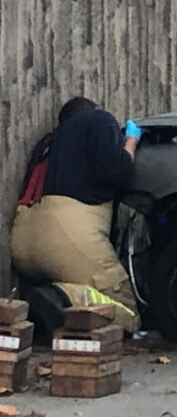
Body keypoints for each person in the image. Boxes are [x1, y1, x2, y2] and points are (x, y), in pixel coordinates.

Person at [11, 96, 142, 335]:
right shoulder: (97, 120)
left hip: (22, 240)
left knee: (63, 275)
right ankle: (60, 295)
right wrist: (131, 141)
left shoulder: (49, 142)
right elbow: (116, 172)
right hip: (66, 236)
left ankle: (41, 308)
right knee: (128, 312)